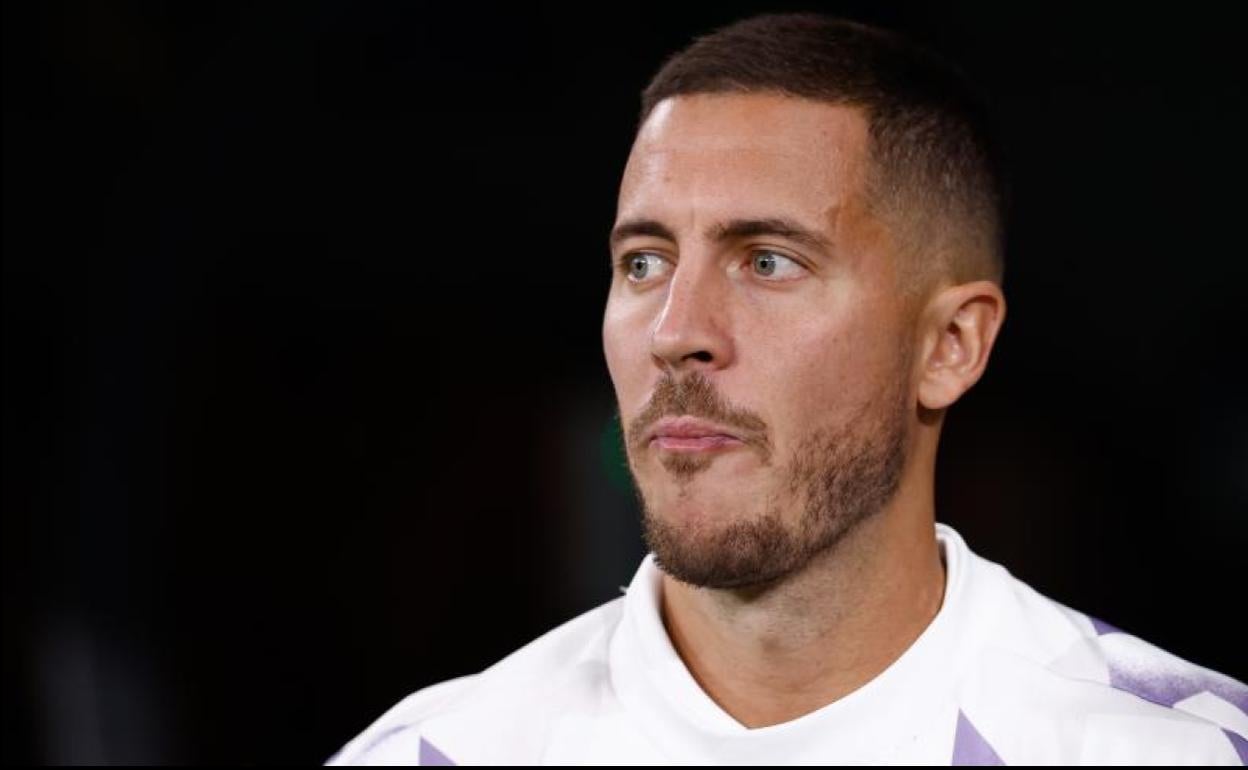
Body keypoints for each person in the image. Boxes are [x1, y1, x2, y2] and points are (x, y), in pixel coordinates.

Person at [328, 13, 1247, 765]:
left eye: (767, 261)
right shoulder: (433, 755)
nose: (675, 332)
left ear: (951, 345)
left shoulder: (1182, 750)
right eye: (644, 261)